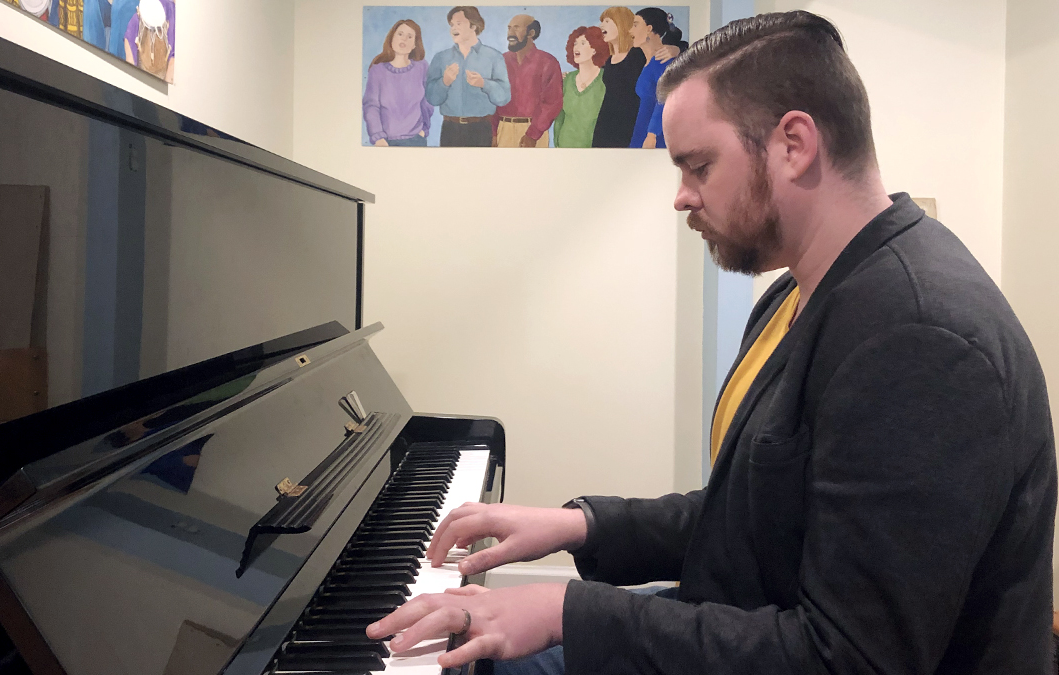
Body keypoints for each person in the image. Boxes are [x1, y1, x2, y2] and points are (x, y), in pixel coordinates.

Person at [369, 11, 1056, 675]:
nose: (681, 195)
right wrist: (575, 526)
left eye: (697, 165)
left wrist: (566, 612)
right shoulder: (802, 290)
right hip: (741, 616)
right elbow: (752, 516)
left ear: (794, 144)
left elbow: (847, 656)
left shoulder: (920, 338)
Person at [426, 6, 512, 147]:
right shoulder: (441, 58)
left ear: (473, 25)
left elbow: (503, 98)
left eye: (459, 24)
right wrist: (444, 82)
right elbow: (432, 99)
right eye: (452, 25)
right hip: (450, 129)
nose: (453, 28)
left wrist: (484, 84)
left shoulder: (493, 56)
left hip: (481, 129)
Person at [492, 15, 562, 148]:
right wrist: (494, 133)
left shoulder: (548, 62)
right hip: (503, 130)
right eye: (509, 28)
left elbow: (552, 102)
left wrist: (532, 135)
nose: (510, 34)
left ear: (531, 33)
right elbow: (493, 100)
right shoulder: (500, 61)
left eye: (516, 28)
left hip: (535, 133)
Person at [364, 19, 434, 147]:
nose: (404, 39)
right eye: (400, 34)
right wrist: (378, 137)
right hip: (385, 142)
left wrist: (424, 129)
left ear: (414, 44)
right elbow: (371, 106)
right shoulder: (377, 70)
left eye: (410, 37)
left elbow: (427, 102)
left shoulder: (422, 67)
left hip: (416, 140)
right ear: (392, 38)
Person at [590, 7, 646, 148]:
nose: (601, 26)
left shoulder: (637, 55)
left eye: (607, 21)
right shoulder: (609, 60)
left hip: (628, 123)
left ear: (621, 23)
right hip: (606, 123)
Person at [629, 8, 681, 148]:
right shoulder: (647, 62)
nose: (630, 31)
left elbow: (665, 98)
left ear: (649, 29)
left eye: (635, 25)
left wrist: (652, 135)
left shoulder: (663, 61)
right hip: (642, 131)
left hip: (654, 137)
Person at [552, 27, 610, 148]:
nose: (576, 48)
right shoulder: (567, 80)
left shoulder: (607, 79)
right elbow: (559, 118)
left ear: (594, 49)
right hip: (565, 148)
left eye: (583, 43)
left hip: (595, 150)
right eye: (575, 43)